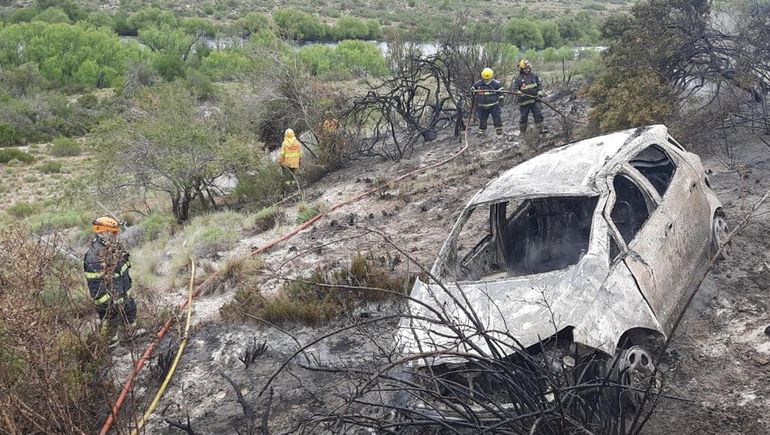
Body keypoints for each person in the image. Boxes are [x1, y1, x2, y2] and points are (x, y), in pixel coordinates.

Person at [84, 216, 141, 347]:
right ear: (102, 232)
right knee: (109, 324)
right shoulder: (94, 255)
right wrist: (108, 301)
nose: (116, 235)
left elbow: (122, 271)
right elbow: (96, 284)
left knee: (130, 311)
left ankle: (130, 334)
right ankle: (109, 350)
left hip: (123, 293)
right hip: (109, 300)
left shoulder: (114, 248)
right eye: (113, 233)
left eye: (116, 232)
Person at [512, 59, 546, 134]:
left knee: (538, 115)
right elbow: (515, 89)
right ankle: (523, 132)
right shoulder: (518, 79)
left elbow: (539, 85)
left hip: (535, 100)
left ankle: (541, 130)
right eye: (525, 68)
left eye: (528, 68)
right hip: (524, 102)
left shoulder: (534, 76)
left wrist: (540, 93)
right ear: (521, 69)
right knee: (523, 118)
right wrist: (518, 92)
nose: (527, 70)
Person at [472, 67, 505, 137]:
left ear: (492, 77)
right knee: (482, 120)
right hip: (482, 106)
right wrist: (473, 91)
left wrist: (501, 98)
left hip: (494, 106)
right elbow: (473, 90)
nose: (487, 80)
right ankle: (481, 133)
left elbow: (501, 92)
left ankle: (499, 132)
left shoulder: (496, 84)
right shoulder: (478, 84)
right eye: (485, 79)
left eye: (488, 79)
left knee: (497, 119)